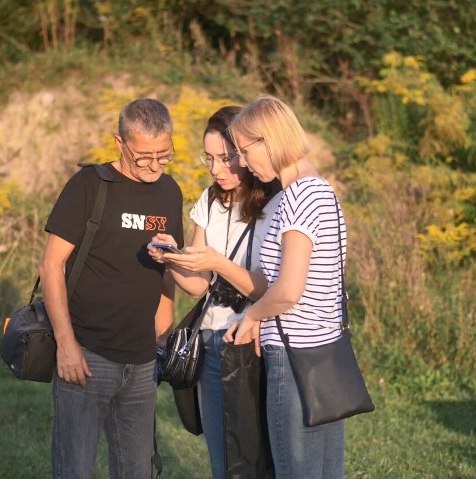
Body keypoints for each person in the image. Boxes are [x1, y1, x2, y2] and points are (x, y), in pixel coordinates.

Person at [39, 98, 184, 479]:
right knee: (74, 470)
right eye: (143, 158)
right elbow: (51, 265)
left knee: (138, 472)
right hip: (87, 355)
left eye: (164, 156)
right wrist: (66, 345)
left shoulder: (169, 192)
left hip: (141, 362)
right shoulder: (89, 185)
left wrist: (162, 338)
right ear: (119, 143)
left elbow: (168, 271)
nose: (154, 167)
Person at [148, 105, 281, 479]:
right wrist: (172, 259)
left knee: (258, 457)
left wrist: (218, 262)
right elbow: (199, 287)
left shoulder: (274, 203)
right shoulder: (208, 202)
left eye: (226, 159)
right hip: (210, 342)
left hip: (253, 343)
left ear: (245, 151)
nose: (216, 169)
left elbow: (267, 287)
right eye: (208, 158)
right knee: (223, 460)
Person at [224, 95, 348, 478]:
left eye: (245, 150)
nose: (242, 162)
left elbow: (290, 289)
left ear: (270, 140)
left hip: (294, 361)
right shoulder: (322, 192)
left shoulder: (295, 199)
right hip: (327, 355)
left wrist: (251, 316)